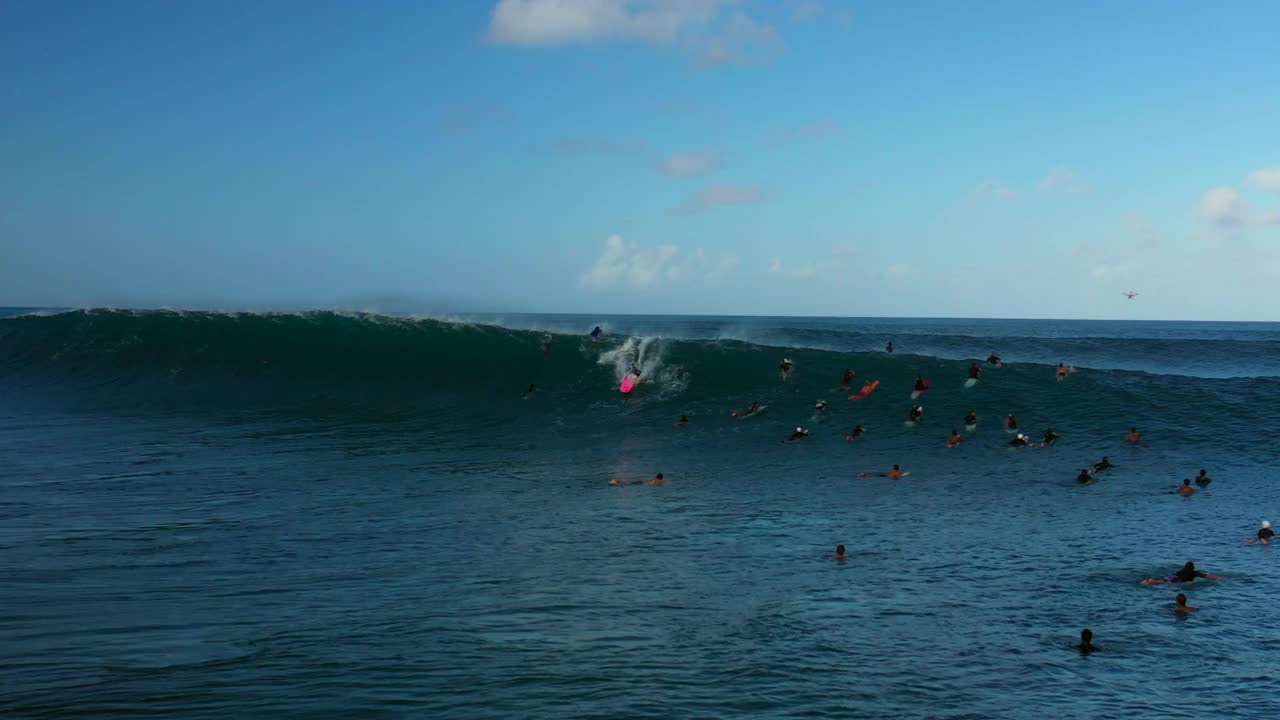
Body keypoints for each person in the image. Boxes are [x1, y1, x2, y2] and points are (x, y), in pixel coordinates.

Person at [1140, 561, 1224, 585]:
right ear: (1192, 567)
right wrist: (1219, 578)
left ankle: (1150, 580)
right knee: (1162, 582)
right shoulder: (1193, 572)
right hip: (1177, 579)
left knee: (1163, 581)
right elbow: (1206, 576)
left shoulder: (1181, 570)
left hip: (1172, 576)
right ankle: (1151, 581)